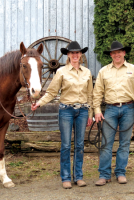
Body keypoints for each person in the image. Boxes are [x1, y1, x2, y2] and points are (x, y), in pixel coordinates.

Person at [31, 41, 93, 189]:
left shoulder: (87, 72)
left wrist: (90, 113)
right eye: (72, 53)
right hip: (66, 111)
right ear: (68, 55)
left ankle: (78, 176)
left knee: (79, 145)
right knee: (66, 145)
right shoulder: (61, 72)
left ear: (81, 55)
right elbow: (52, 92)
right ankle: (65, 177)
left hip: (83, 111)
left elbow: (90, 94)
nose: (75, 55)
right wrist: (39, 103)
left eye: (77, 52)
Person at [93, 41, 134, 186]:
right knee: (106, 143)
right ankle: (104, 174)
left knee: (124, 143)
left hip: (128, 109)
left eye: (119, 52)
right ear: (111, 55)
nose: (117, 54)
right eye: (114, 52)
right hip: (110, 110)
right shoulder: (103, 71)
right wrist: (97, 110)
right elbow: (97, 93)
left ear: (124, 53)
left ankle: (120, 172)